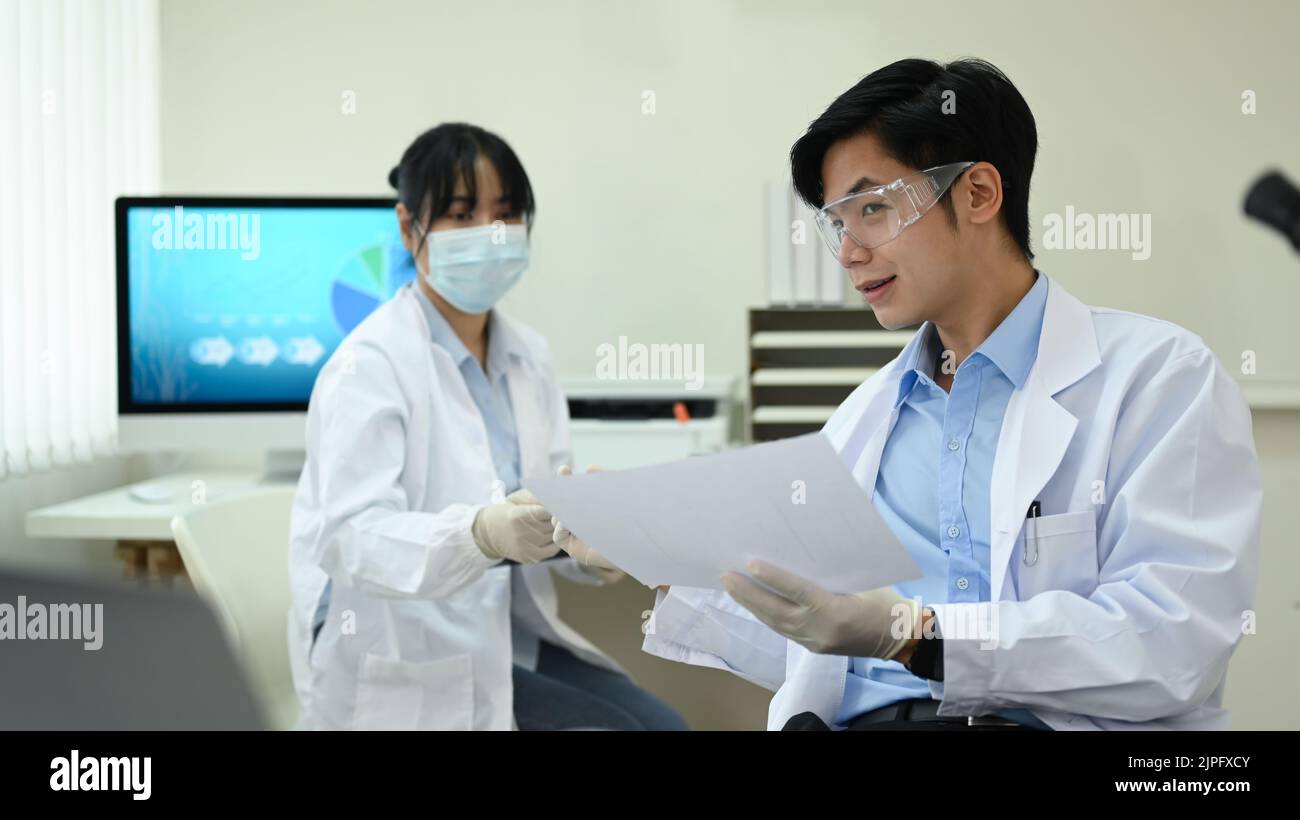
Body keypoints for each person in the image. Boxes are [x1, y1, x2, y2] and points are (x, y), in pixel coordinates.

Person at [641, 59, 1261, 731]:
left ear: (978, 194)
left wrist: (917, 634)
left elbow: (1170, 645)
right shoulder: (865, 418)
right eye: (836, 223)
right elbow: (824, 654)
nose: (848, 253)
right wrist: (663, 559)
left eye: (872, 209)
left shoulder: (1158, 378)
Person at [288, 122, 687, 731]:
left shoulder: (529, 357)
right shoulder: (369, 365)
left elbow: (538, 520)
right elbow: (350, 539)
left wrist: (592, 540)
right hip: (406, 649)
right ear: (407, 227)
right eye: (458, 212)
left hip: (504, 634)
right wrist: (477, 534)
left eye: (505, 213)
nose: (488, 233)